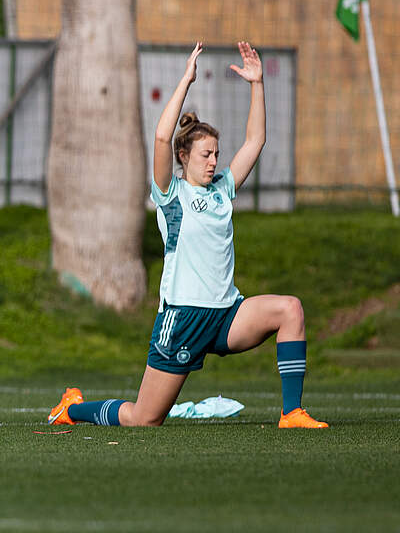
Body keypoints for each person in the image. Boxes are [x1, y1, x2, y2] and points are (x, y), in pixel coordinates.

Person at [48, 41, 327, 429]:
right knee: (144, 419)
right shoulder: (172, 194)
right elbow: (162, 138)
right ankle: (72, 409)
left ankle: (292, 413)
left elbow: (255, 142)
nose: (214, 161)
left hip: (227, 314)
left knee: (289, 309)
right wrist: (185, 80)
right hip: (183, 318)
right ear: (185, 157)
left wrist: (257, 83)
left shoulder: (223, 190)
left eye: (216, 154)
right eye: (205, 154)